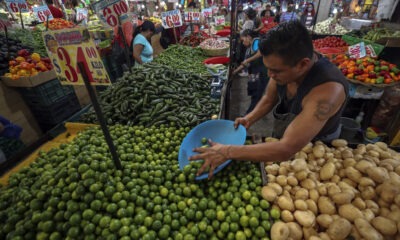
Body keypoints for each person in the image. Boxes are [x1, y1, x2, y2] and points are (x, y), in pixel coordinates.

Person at [189, 21, 349, 179]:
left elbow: (286, 148)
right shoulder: (283, 67)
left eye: (275, 71)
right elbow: (268, 99)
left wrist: (227, 151)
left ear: (302, 64)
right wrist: (249, 119)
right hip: (285, 138)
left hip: (318, 149)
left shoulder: (327, 91)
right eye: (268, 69)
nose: (270, 75)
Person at [233, 29, 268, 114]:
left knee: (257, 94)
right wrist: (234, 72)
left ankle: (248, 116)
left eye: (243, 40)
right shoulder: (249, 48)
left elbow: (260, 53)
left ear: (248, 37)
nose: (243, 43)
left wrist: (248, 60)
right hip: (253, 73)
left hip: (261, 73)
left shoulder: (256, 41)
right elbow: (245, 63)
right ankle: (257, 110)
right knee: (253, 92)